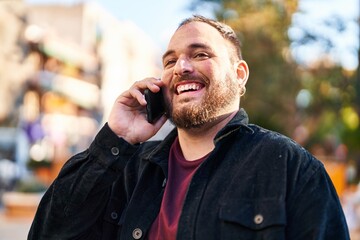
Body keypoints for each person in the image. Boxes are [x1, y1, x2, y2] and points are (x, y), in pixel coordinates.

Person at [28, 15, 349, 240]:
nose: (181, 67)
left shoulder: (292, 168)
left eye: (200, 54)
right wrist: (116, 138)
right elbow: (49, 233)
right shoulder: (131, 170)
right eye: (169, 61)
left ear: (240, 74)